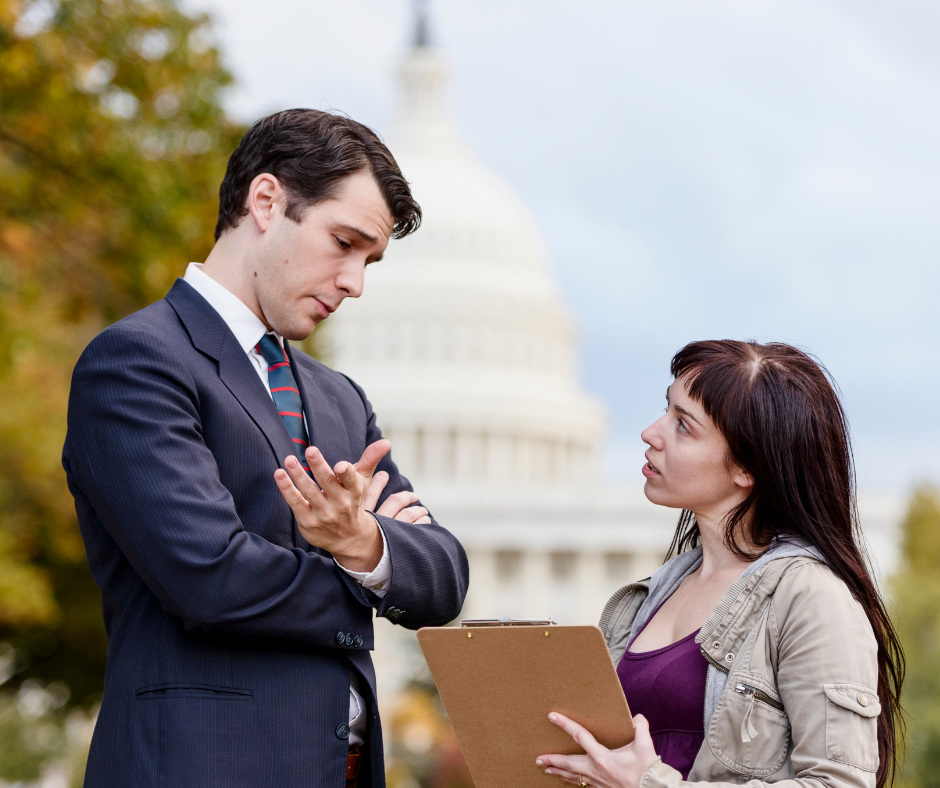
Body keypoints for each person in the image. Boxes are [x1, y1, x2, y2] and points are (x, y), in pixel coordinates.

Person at [62, 109, 469, 788]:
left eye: (369, 260)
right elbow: (211, 579)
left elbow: (444, 577)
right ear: (267, 200)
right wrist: (366, 568)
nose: (355, 283)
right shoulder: (136, 363)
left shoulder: (340, 398)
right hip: (203, 767)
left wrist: (363, 541)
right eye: (344, 242)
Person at [538, 341, 903, 788]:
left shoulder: (812, 598)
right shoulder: (647, 597)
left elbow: (839, 784)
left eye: (683, 426)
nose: (651, 433)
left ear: (747, 468)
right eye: (665, 410)